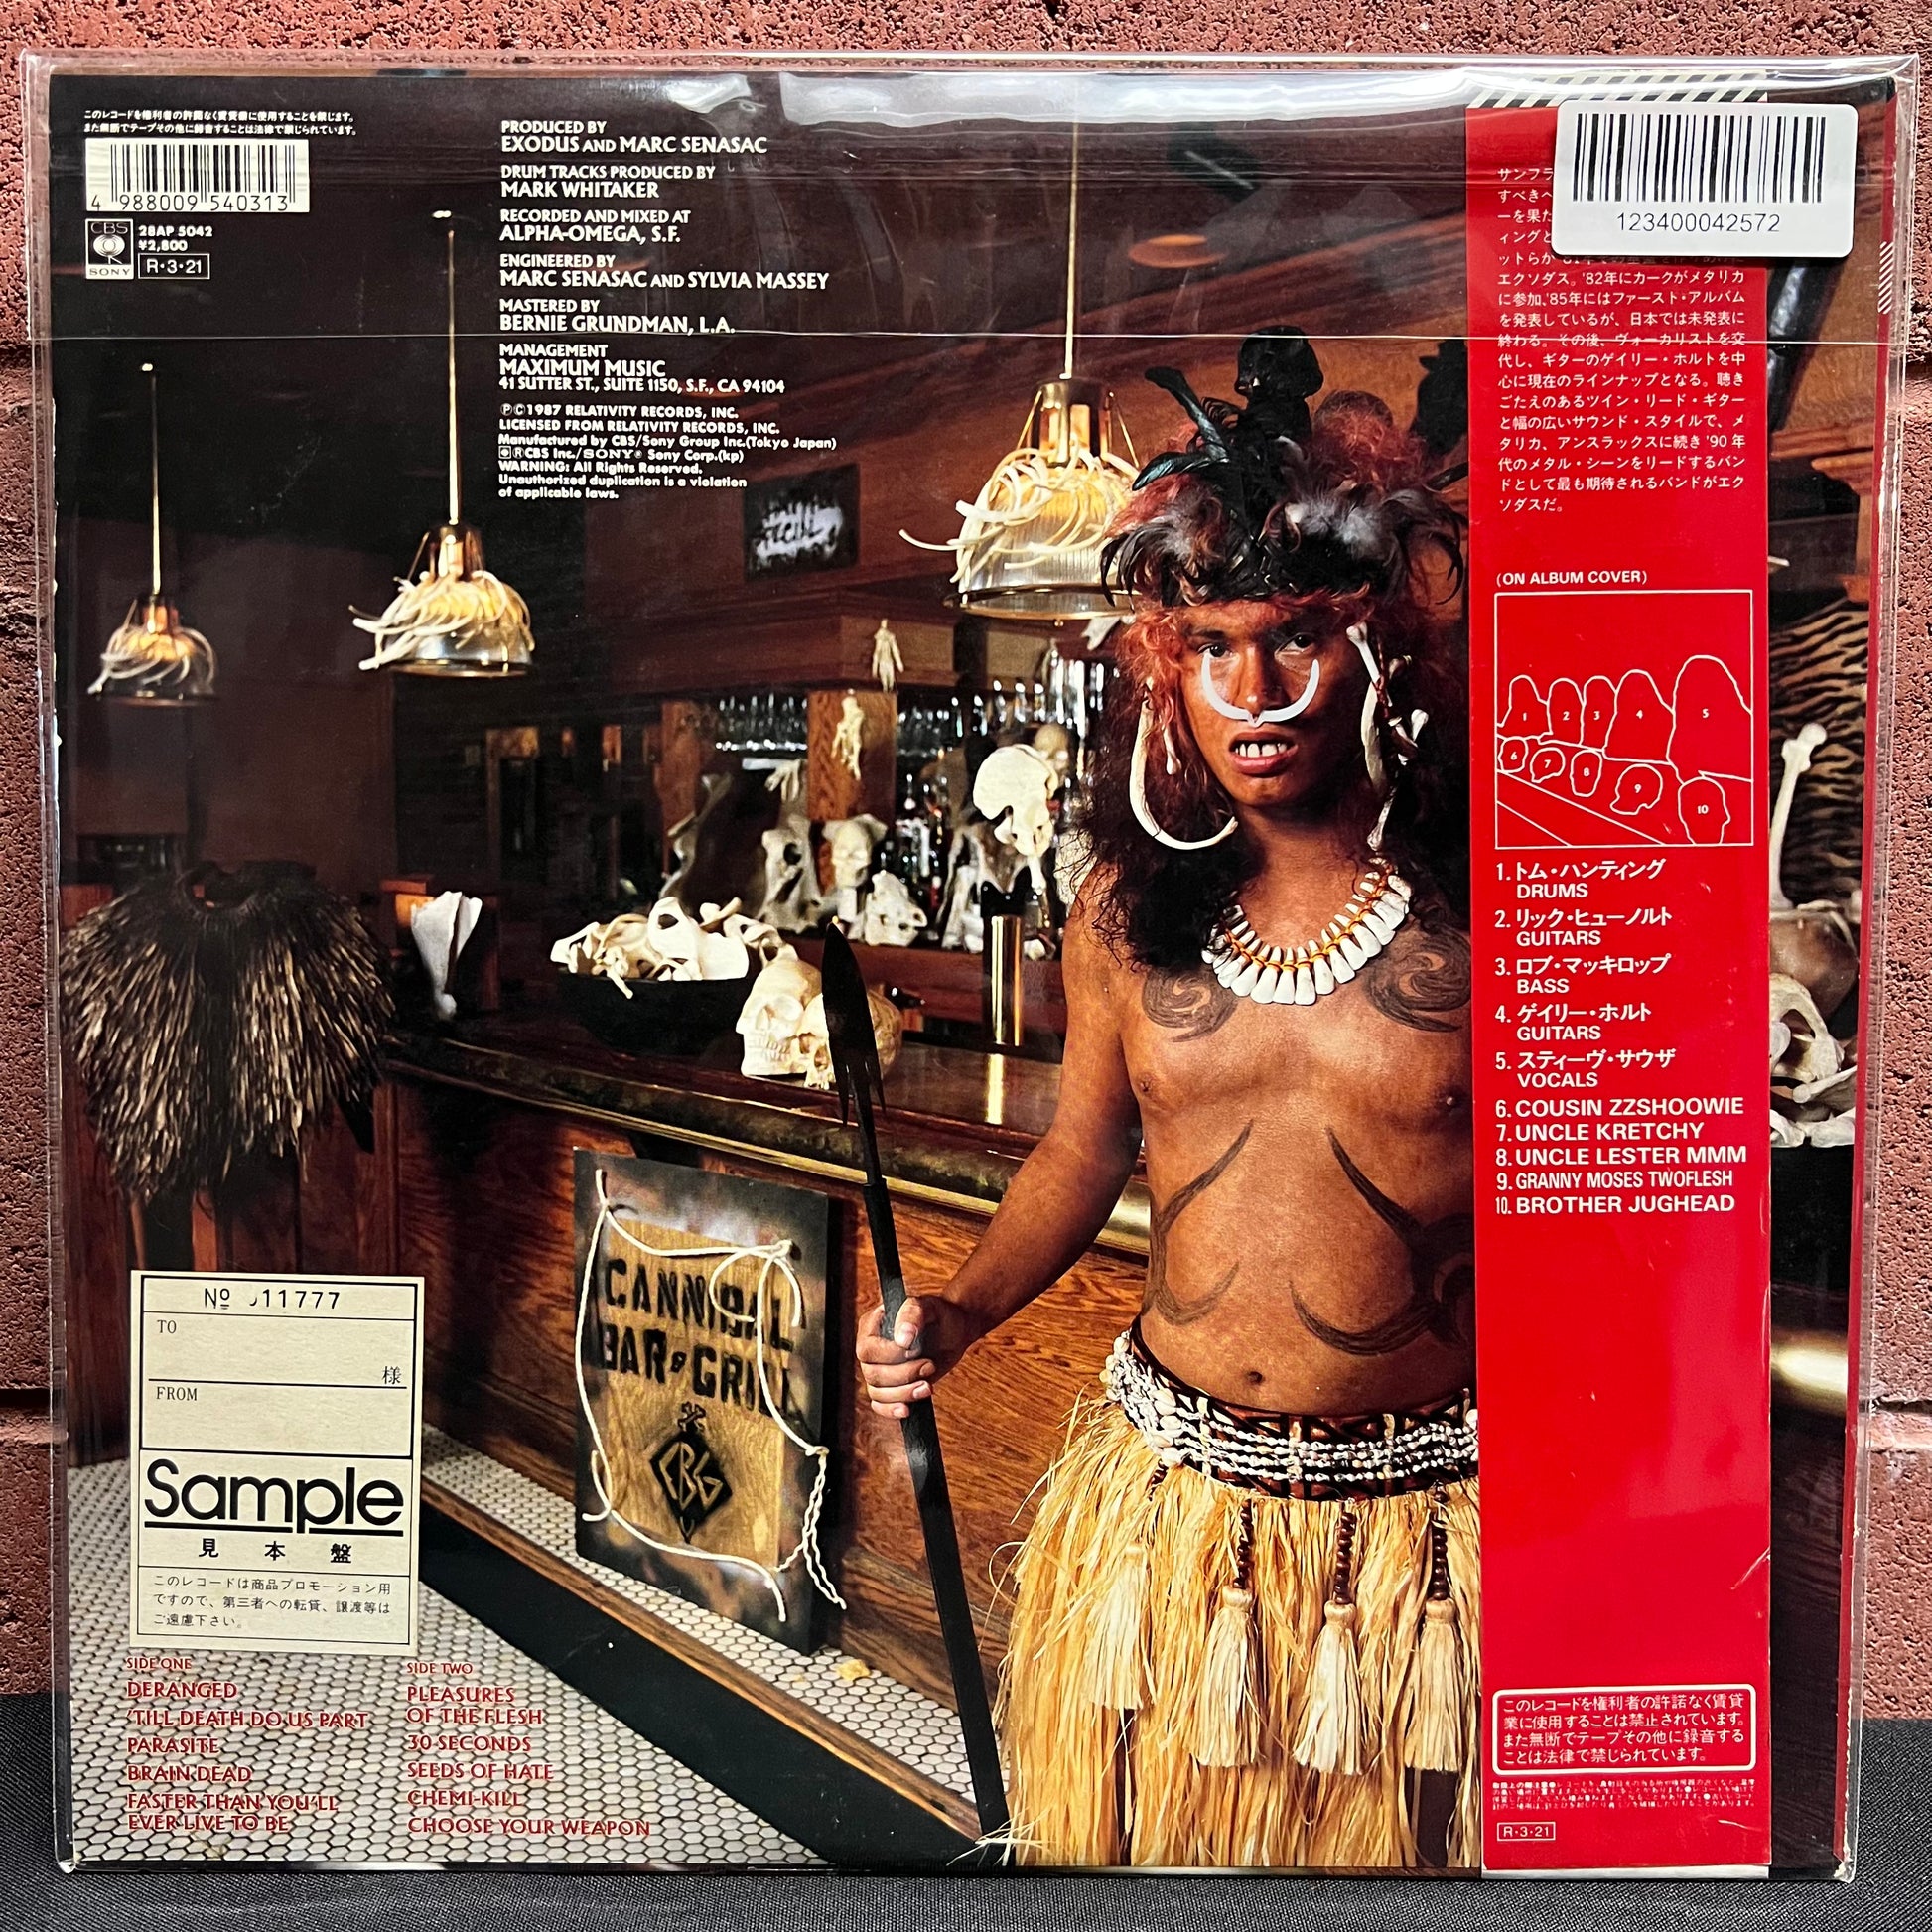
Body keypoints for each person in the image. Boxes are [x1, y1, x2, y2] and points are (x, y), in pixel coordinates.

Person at [859, 329, 1475, 1869]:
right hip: (1165, 1501)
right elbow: (1080, 1151)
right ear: (1164, 672)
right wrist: (960, 1309)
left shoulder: (1486, 917)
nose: (1251, 690)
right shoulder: (1126, 918)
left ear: (1377, 651)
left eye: (1294, 640)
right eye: (1208, 647)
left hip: (1413, 1535)